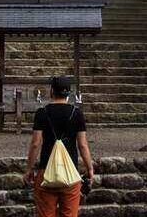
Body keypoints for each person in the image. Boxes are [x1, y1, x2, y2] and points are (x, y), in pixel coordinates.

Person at [23, 75, 94, 217]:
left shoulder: (42, 113)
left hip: (46, 173)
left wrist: (29, 169)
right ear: (69, 93)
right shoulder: (77, 114)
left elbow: (36, 143)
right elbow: (83, 145)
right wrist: (89, 168)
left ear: (51, 91)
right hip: (70, 173)